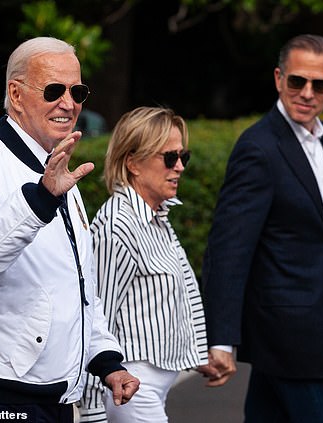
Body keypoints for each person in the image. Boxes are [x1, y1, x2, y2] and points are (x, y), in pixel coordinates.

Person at [0, 37, 139, 423]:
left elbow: (76, 284)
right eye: (53, 90)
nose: (69, 103)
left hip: (53, 391)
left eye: (77, 90)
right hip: (0, 390)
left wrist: (106, 361)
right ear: (15, 95)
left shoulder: (54, 166)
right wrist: (40, 200)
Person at [202, 34, 323, 422]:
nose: (306, 93)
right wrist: (220, 339)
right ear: (277, 79)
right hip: (293, 341)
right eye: (296, 81)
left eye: (318, 84)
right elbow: (228, 249)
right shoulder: (258, 148)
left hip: (320, 325)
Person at [78, 106, 211, 422]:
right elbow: (97, 318)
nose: (179, 167)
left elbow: (170, 305)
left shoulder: (155, 219)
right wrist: (94, 413)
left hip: (153, 387)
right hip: (132, 391)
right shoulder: (117, 226)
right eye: (169, 158)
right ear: (133, 163)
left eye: (184, 157)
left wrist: (199, 356)